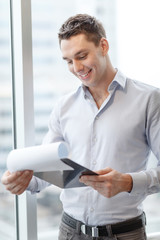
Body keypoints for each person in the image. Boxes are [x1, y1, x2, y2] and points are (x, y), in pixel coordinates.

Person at [1, 13, 160, 240]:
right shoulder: (63, 107)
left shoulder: (148, 99)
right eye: (68, 60)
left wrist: (127, 182)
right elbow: (50, 169)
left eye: (81, 56)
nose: (76, 68)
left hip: (124, 234)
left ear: (103, 45)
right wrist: (24, 180)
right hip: (70, 232)